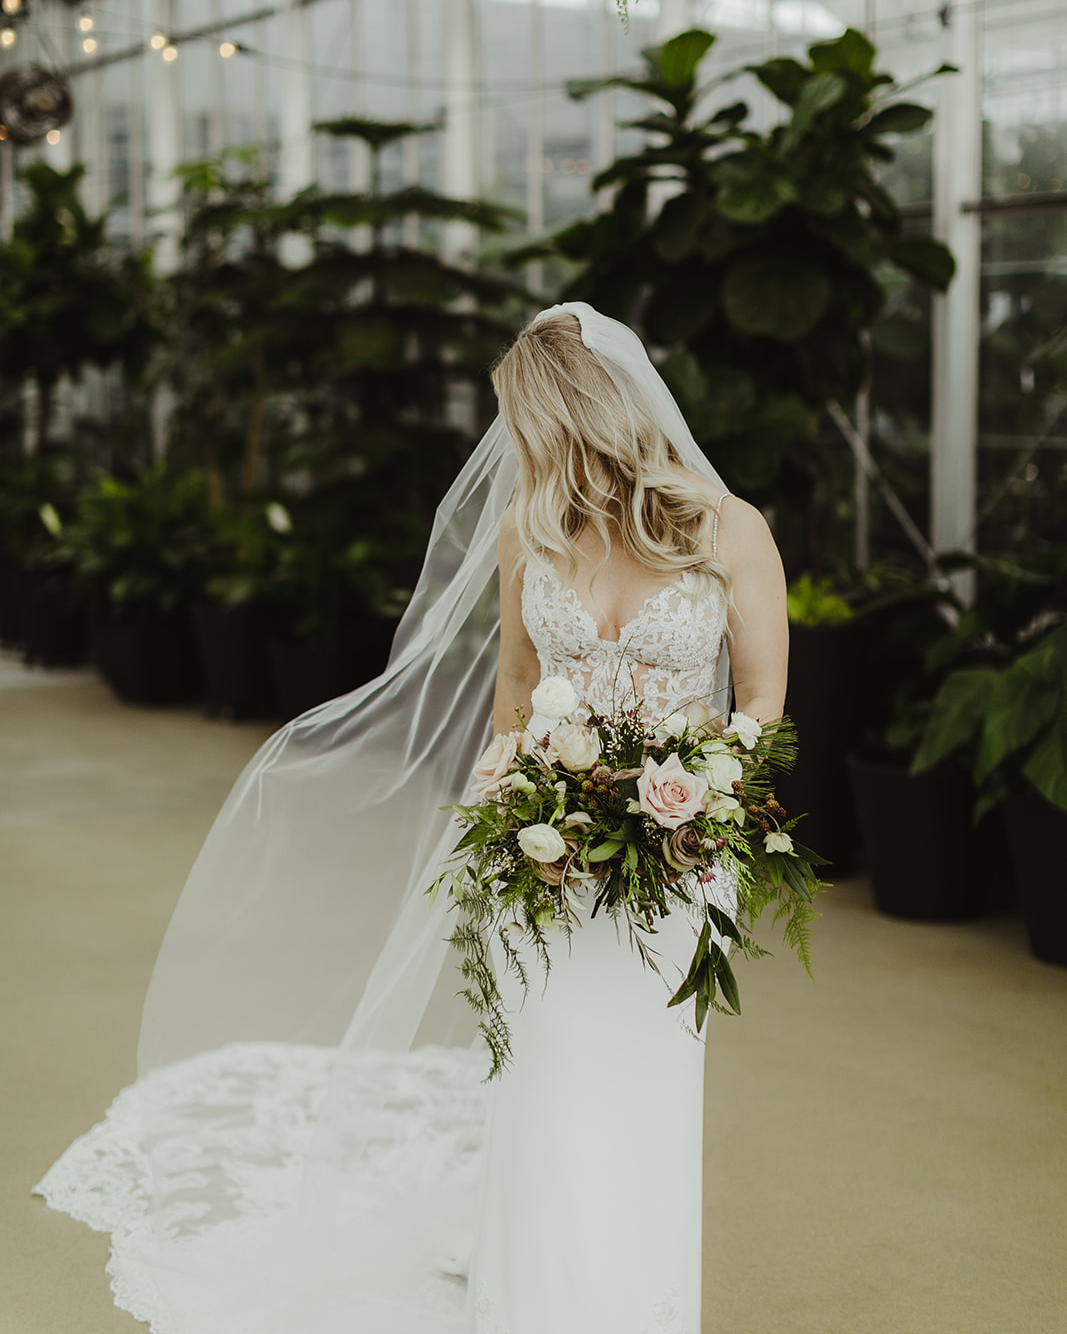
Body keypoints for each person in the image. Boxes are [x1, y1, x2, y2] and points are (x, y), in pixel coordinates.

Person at [35, 301, 787, 1334]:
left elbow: (759, 706)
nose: (521, 450)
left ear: (583, 413)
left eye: (530, 425)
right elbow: (517, 692)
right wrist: (510, 816)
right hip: (546, 854)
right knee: (551, 1076)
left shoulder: (728, 530)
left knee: (646, 1082)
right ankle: (532, 1298)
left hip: (680, 859)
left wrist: (702, 808)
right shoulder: (532, 528)